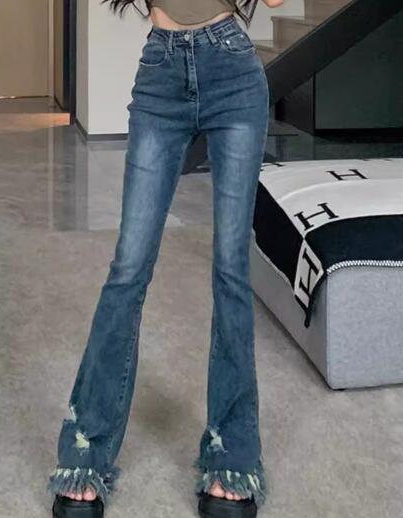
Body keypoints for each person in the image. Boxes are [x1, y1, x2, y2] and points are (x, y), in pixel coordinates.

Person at [49, 1, 283, 517]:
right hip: (161, 73)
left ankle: (232, 454)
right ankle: (87, 450)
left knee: (231, 268)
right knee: (128, 268)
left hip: (233, 72)